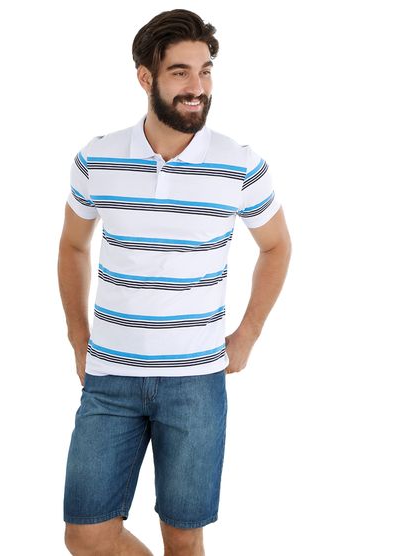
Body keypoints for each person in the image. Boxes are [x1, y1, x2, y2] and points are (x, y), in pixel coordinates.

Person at [58, 8, 291, 556]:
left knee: (184, 541)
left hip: (195, 384)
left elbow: (277, 246)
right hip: (110, 378)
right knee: (87, 535)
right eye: (180, 72)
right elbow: (72, 246)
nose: (198, 87)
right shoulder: (97, 159)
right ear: (146, 77)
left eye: (205, 71)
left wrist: (248, 333)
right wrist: (77, 337)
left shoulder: (239, 164)